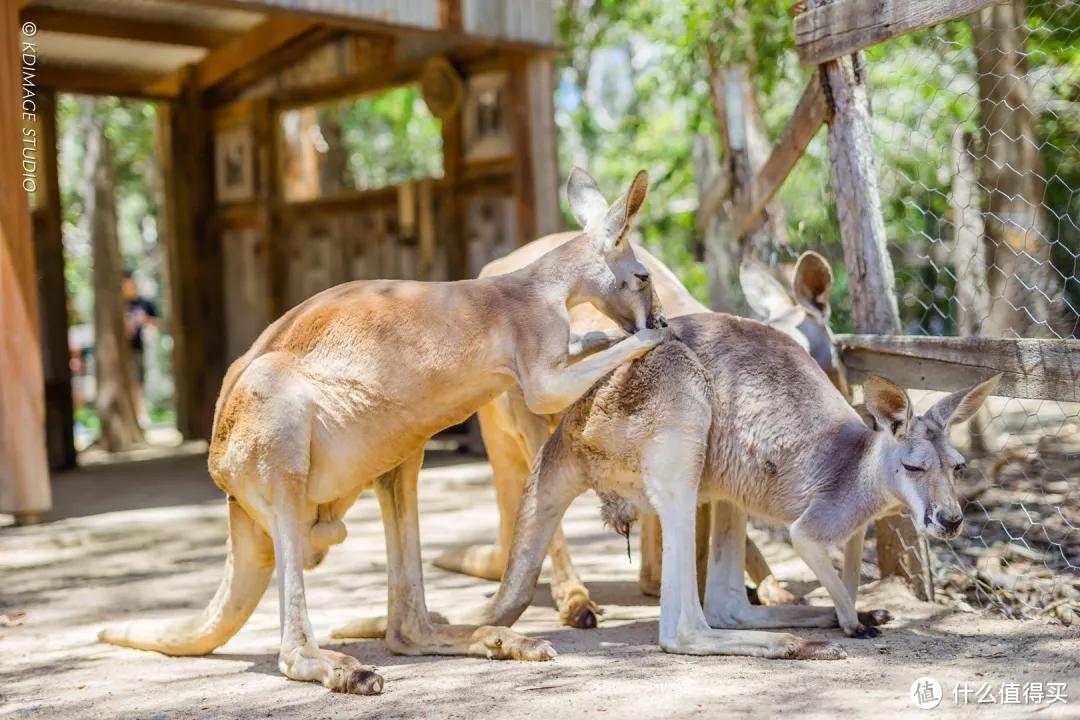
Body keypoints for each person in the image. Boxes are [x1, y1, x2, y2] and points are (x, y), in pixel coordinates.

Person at [122, 268, 158, 426]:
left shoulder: (143, 303)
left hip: (138, 348)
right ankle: (138, 415)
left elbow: (157, 322)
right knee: (132, 383)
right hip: (123, 352)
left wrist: (144, 321)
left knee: (138, 382)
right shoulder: (120, 305)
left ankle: (140, 414)